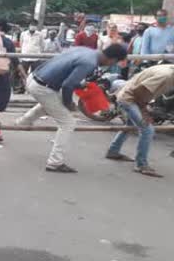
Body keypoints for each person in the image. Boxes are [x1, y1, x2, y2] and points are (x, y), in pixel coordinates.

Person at [16, 44, 128, 173]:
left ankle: (23, 122)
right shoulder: (89, 62)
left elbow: (64, 71)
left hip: (36, 79)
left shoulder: (85, 50)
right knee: (68, 123)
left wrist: (80, 84)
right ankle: (55, 162)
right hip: (43, 87)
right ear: (113, 60)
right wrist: (68, 103)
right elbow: (68, 85)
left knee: (51, 104)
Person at [106, 64, 174, 178]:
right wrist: (144, 111)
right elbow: (139, 91)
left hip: (131, 95)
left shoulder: (169, 68)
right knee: (147, 130)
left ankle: (113, 151)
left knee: (130, 125)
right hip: (130, 99)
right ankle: (141, 164)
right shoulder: (166, 75)